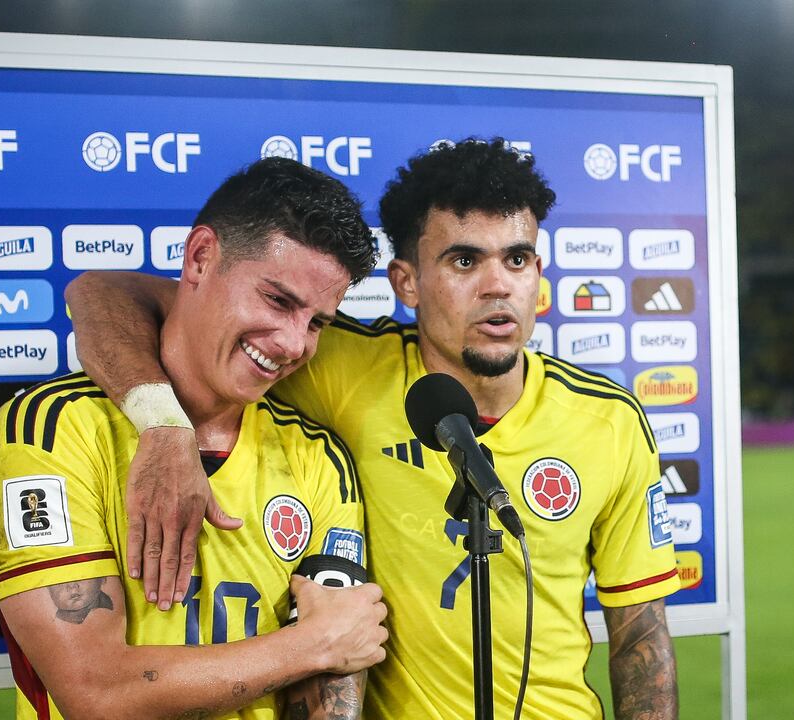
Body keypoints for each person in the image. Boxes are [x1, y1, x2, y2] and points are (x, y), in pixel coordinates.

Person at [65, 138, 681, 719]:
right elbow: (102, 292)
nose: (498, 286)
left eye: (516, 259)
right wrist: (163, 426)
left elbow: (640, 638)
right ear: (406, 281)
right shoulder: (338, 362)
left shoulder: (610, 420)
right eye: (464, 260)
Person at [0, 157, 389, 720]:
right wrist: (313, 645)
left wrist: (324, 649)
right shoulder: (52, 430)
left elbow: (326, 696)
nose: (294, 344)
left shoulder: (318, 455)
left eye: (316, 322)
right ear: (200, 258)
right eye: (277, 300)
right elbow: (96, 693)